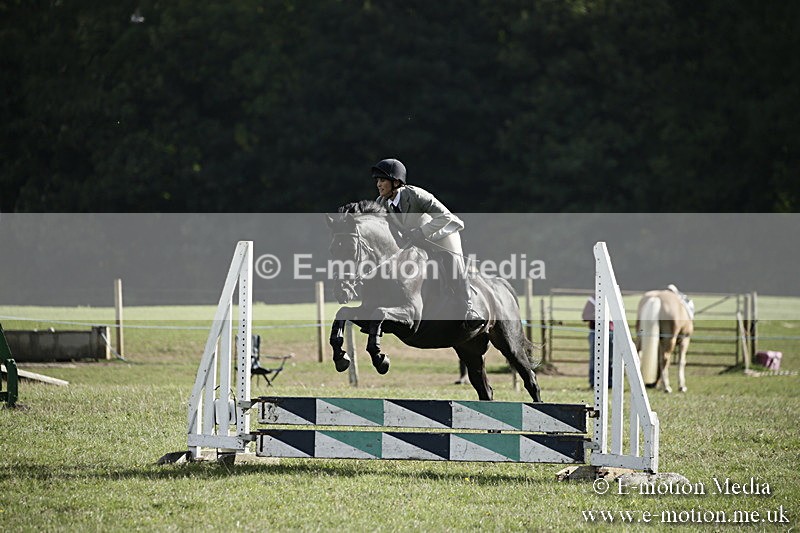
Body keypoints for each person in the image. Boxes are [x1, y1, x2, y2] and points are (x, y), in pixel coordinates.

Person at [371, 158, 483, 329]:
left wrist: (421, 232)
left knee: (454, 262)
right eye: (377, 181)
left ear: (395, 182)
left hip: (441, 233)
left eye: (382, 180)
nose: (378, 185)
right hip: (415, 240)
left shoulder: (415, 195)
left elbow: (446, 216)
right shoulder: (381, 202)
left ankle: (470, 309)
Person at [582, 296, 613, 388]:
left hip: (611, 332)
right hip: (595, 332)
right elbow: (585, 316)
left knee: (611, 358)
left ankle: (610, 382)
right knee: (595, 358)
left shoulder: (613, 299)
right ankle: (593, 381)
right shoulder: (592, 300)